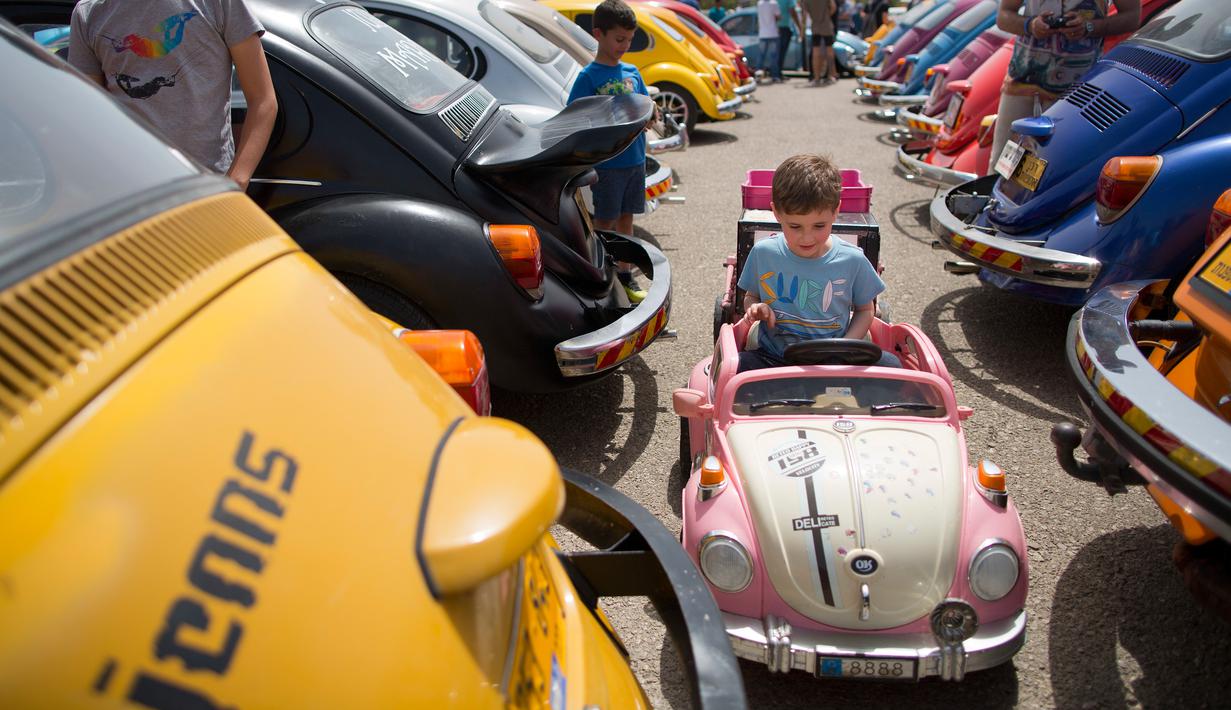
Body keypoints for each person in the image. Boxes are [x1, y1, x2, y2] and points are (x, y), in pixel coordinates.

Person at [67, 0, 277, 191]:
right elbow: (89, 117)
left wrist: (237, 182)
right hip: (127, 195)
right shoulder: (89, 12)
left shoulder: (219, 4)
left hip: (207, 190)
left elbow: (263, 100)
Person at [735, 154, 895, 372]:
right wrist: (756, 309)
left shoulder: (852, 259)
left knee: (892, 365)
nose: (807, 238)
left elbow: (865, 310)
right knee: (734, 369)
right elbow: (751, 296)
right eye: (795, 226)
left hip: (835, 355)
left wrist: (846, 346)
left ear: (836, 211)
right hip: (775, 354)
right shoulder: (764, 253)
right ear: (776, 213)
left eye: (819, 226)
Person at [567, 0, 655, 303]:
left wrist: (651, 118)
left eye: (629, 40)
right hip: (608, 164)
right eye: (619, 39)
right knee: (604, 220)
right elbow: (574, 117)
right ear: (598, 34)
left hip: (635, 160)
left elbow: (645, 107)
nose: (625, 45)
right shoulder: (588, 77)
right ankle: (602, 276)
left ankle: (626, 275)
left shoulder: (632, 72)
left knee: (627, 219)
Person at [988, 0, 1141, 174]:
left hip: (1073, 96)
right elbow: (1003, 16)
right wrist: (1030, 25)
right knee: (1002, 171)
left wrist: (1089, 27)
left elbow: (1132, 17)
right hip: (1021, 86)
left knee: (1050, 174)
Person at [801, 0, 836, 86]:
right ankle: (830, 76)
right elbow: (833, 7)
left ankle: (816, 78)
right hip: (826, 26)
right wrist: (827, 16)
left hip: (815, 26)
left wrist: (802, 30)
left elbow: (804, 15)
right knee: (829, 52)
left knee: (816, 52)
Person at [755, 0, 782, 82]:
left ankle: (758, 76)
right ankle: (774, 76)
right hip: (773, 33)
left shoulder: (759, 3)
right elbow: (778, 17)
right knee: (773, 56)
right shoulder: (774, 3)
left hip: (763, 33)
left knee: (761, 56)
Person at [776, 0, 800, 79]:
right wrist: (799, 26)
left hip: (778, 28)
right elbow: (793, 12)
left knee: (779, 52)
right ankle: (778, 73)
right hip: (785, 27)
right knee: (781, 52)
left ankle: (777, 72)